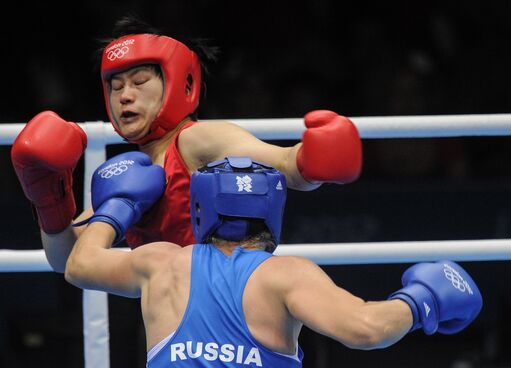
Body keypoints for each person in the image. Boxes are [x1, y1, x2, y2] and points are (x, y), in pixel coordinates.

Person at [10, 14, 363, 273]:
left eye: (140, 81)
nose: (125, 96)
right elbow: (66, 260)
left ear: (181, 83)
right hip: (167, 320)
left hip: (227, 314)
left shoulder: (196, 140)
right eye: (116, 87)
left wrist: (312, 158)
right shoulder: (128, 172)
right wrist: (49, 201)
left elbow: (284, 165)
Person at [64, 152, 483, 367]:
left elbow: (80, 265)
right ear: (274, 212)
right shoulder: (286, 275)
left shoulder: (161, 263)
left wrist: (118, 207)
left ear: (199, 210)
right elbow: (367, 329)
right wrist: (420, 302)